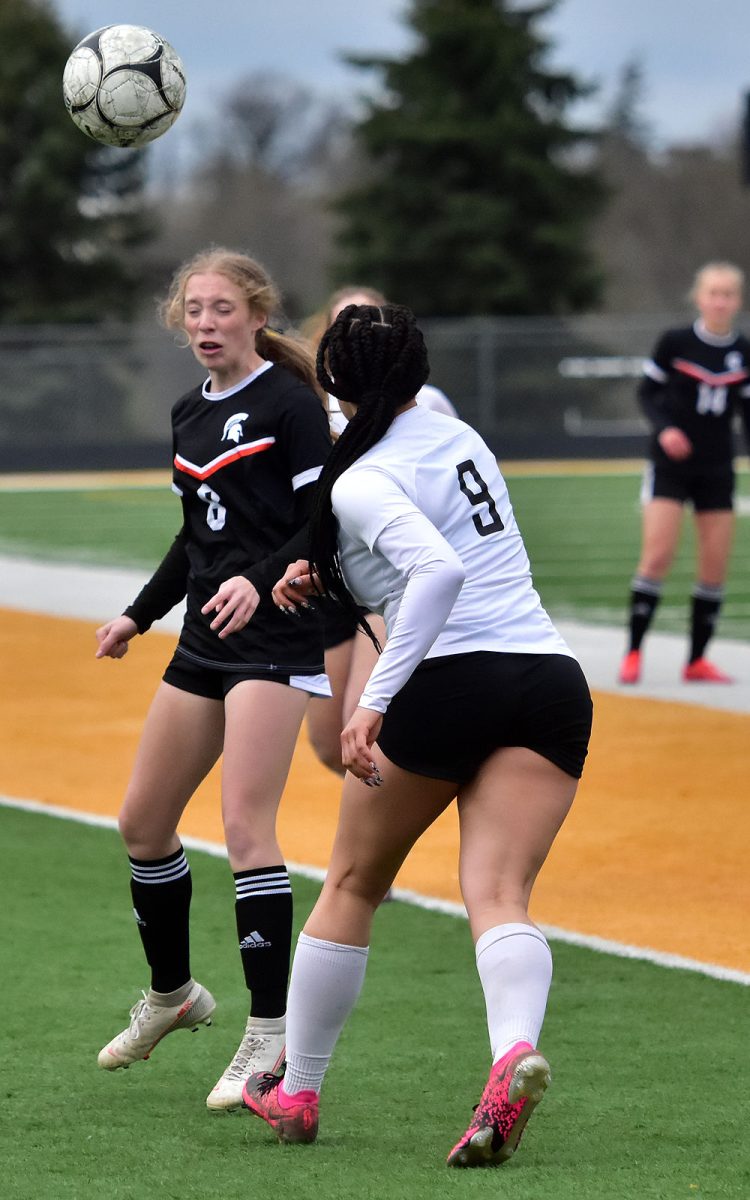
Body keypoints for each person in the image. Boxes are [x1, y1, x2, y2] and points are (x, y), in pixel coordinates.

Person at [242, 303, 593, 1168]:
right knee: (500, 893)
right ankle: (512, 1055)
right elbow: (405, 551)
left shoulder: (358, 475)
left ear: (333, 384)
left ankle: (299, 1090)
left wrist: (371, 704)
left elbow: (436, 571)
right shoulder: (456, 432)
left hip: (448, 681)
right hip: (547, 680)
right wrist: (319, 575)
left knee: (354, 884)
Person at [94, 248, 333, 1112]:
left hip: (279, 633)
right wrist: (137, 614)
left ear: (257, 314)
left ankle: (269, 1033)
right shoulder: (188, 412)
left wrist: (262, 575)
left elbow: (324, 521)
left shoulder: (293, 404)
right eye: (193, 309)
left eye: (222, 308)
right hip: (204, 636)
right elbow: (192, 539)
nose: (205, 323)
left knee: (244, 825)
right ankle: (174, 996)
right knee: (144, 821)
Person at [304, 285, 459, 776]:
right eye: (342, 318)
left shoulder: (424, 402)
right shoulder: (317, 399)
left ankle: (384, 821)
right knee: (328, 744)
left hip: (390, 573)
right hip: (333, 575)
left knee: (365, 718)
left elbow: (448, 477)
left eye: (364, 314)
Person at [619, 261, 750, 685]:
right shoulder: (675, 342)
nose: (720, 301)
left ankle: (696, 660)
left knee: (714, 567)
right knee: (657, 557)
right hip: (669, 465)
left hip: (717, 467)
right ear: (699, 297)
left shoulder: (743, 351)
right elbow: (647, 393)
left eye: (728, 294)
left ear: (738, 300)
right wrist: (667, 429)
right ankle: (634, 652)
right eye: (713, 293)